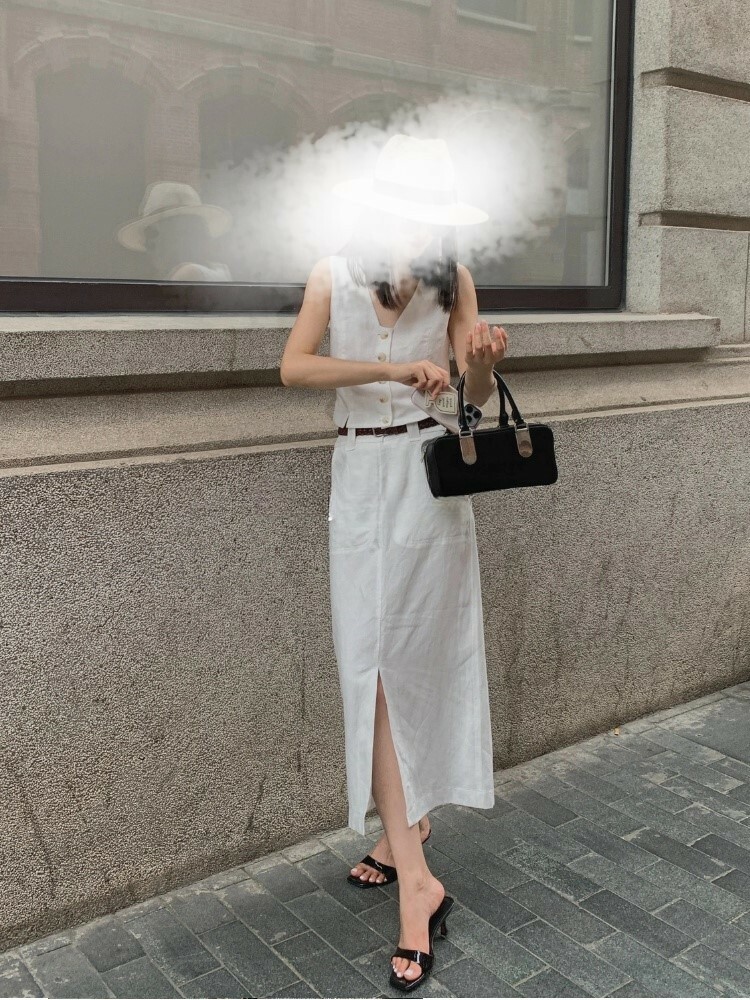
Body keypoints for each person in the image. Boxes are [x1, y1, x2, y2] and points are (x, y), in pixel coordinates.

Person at [280, 133, 508, 991]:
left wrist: (478, 367)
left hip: (426, 482)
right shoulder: (333, 274)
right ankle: (413, 858)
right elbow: (294, 367)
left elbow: (471, 399)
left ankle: (411, 867)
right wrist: (389, 369)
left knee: (410, 663)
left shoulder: (455, 279)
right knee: (369, 668)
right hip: (358, 478)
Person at [116, 181, 233, 281]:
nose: (147, 244)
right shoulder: (218, 271)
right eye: (147, 236)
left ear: (180, 234)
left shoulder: (189, 274)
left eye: (152, 233)